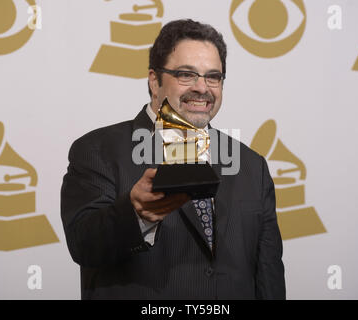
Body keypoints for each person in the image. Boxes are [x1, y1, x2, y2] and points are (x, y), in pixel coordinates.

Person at [60, 19, 286, 300]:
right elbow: (84, 245)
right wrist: (136, 214)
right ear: (154, 81)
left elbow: (269, 276)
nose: (202, 88)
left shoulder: (252, 165)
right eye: (186, 75)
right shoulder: (98, 150)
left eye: (213, 76)